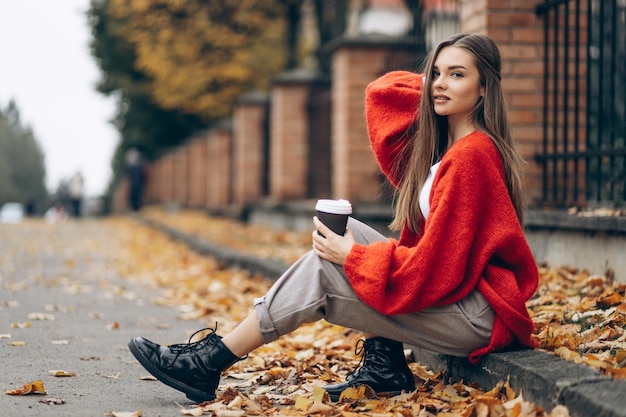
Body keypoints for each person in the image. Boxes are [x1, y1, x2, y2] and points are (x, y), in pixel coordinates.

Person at [128, 33, 539, 403]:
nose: (439, 84)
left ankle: (212, 360)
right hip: (466, 299)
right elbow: (382, 92)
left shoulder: (471, 158)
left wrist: (352, 259)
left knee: (327, 269)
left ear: (484, 89)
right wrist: (439, 86)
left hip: (476, 317)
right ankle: (385, 368)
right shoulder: (447, 153)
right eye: (435, 73)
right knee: (351, 233)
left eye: (457, 75)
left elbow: (434, 270)